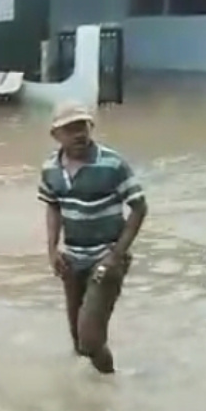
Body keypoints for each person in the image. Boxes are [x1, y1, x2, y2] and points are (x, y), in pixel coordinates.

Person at [37, 102, 147, 374]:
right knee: (78, 342)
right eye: (70, 129)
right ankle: (91, 396)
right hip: (72, 258)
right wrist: (52, 250)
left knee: (90, 339)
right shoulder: (50, 169)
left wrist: (115, 255)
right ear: (56, 135)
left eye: (82, 126)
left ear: (91, 128)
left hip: (106, 257)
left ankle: (112, 381)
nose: (78, 134)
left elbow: (139, 207)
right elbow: (53, 206)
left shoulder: (112, 163)